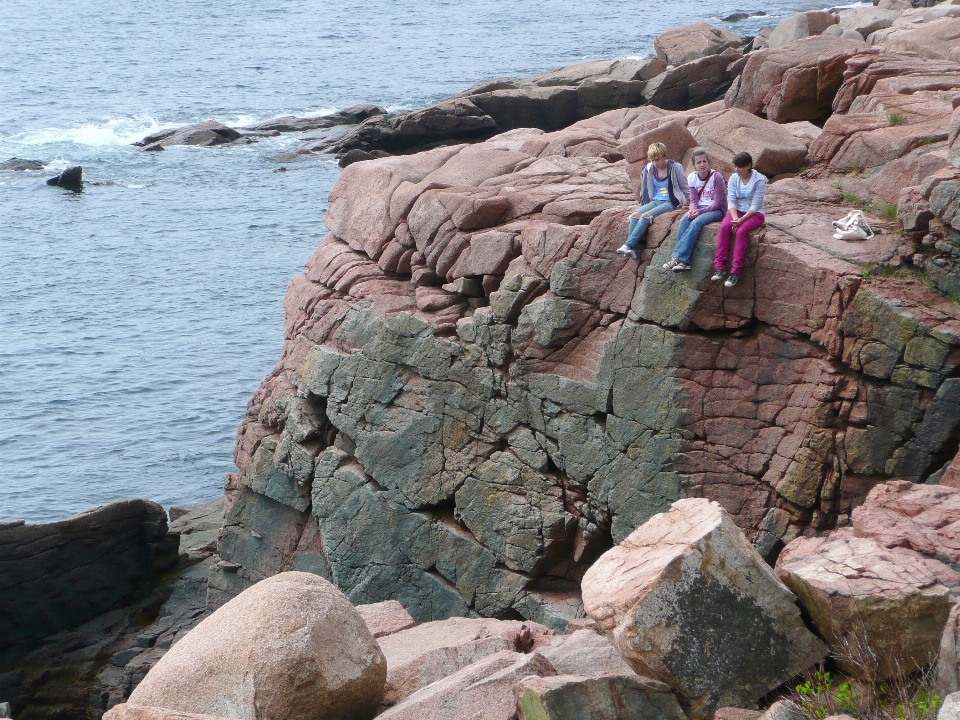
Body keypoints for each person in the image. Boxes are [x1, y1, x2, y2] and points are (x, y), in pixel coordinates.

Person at [617, 142, 690, 259]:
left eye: (657, 159)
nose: (655, 163)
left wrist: (692, 204)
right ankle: (633, 250)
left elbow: (685, 187)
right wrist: (643, 202)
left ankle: (628, 245)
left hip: (670, 202)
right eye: (653, 160)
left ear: (664, 157)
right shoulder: (649, 168)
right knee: (635, 215)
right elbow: (645, 188)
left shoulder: (675, 167)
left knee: (647, 215)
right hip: (655, 200)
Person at [663, 149, 726, 272]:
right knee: (684, 220)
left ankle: (677, 257)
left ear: (708, 162)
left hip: (717, 210)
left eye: (704, 161)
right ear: (694, 165)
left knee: (697, 222)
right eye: (699, 163)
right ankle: (683, 262)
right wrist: (692, 210)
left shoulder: (716, 177)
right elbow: (693, 200)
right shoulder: (692, 177)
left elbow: (718, 203)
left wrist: (699, 212)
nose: (702, 165)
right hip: (700, 207)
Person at [712, 151, 767, 288]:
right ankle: (719, 267)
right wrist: (735, 219)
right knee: (725, 227)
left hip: (754, 214)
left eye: (740, 167)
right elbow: (731, 200)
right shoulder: (733, 178)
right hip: (737, 211)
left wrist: (741, 221)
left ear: (748, 166)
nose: (736, 169)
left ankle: (735, 271)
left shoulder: (759, 180)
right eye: (735, 166)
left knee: (741, 232)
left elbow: (755, 205)